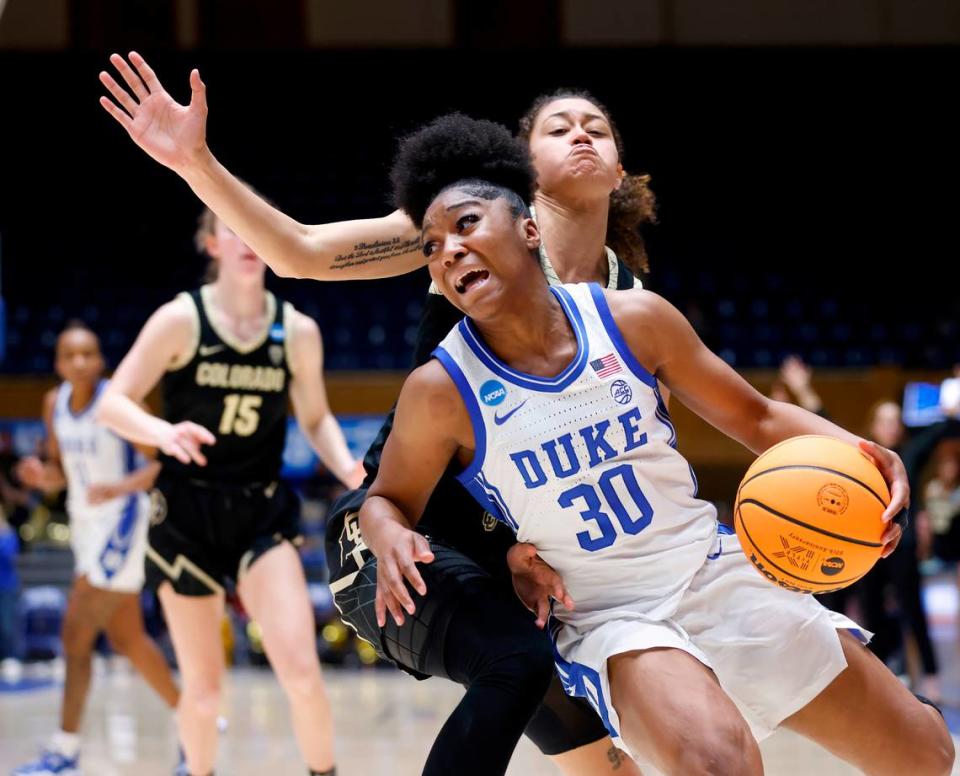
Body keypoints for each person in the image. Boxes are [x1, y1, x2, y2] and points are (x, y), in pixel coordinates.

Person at [99, 51, 654, 775]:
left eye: (597, 129)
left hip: (512, 558)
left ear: (618, 171)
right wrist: (196, 163)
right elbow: (299, 252)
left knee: (607, 765)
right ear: (523, 165)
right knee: (515, 663)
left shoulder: (630, 297)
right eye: (560, 128)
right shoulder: (460, 228)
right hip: (397, 533)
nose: (581, 135)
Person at [360, 113, 953, 776]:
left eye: (466, 224)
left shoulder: (632, 319)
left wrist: (867, 451)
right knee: (721, 762)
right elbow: (387, 498)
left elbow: (756, 417)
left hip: (712, 570)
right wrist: (387, 533)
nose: (448, 250)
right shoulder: (438, 389)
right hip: (610, 617)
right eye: (432, 246)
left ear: (529, 228)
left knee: (925, 753)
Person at [96, 206, 363, 776]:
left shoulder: (296, 331)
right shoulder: (181, 319)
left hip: (259, 509)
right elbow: (113, 402)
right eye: (231, 230)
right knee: (205, 691)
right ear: (211, 244)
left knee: (301, 671)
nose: (247, 240)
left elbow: (315, 419)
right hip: (186, 513)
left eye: (255, 228)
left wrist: (348, 469)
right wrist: (164, 432)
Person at [13, 321, 180, 776]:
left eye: (88, 354)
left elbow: (161, 463)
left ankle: (64, 751)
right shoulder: (54, 405)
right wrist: (39, 476)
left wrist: (117, 489)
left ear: (101, 360)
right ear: (59, 363)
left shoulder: (119, 404)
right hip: (86, 528)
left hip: (124, 524)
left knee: (75, 636)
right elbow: (61, 472)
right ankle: (197, 722)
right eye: (71, 355)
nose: (80, 362)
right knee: (127, 639)